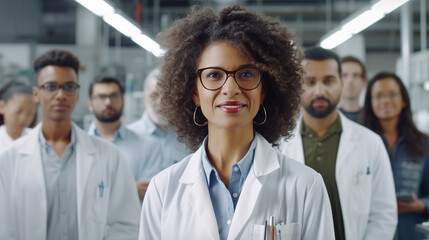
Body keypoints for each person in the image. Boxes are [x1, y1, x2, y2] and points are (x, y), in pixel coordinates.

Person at [139, 5, 335, 240]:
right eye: (214, 75)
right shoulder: (163, 190)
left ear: (264, 90)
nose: (230, 89)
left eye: (246, 74)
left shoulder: (305, 186)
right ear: (194, 92)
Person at [0, 49, 140, 240]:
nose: (60, 95)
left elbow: (126, 225)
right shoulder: (9, 160)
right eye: (51, 86)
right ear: (36, 93)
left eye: (69, 86)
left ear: (77, 94)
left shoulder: (109, 156)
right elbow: (5, 228)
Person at [279, 47, 397, 240]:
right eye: (310, 81)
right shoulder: (279, 144)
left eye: (328, 80)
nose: (319, 90)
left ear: (341, 84)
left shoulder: (370, 143)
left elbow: (384, 214)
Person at [360, 72, 429, 240]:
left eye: (392, 94)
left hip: (412, 232)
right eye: (378, 96)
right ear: (370, 103)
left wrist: (420, 205)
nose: (385, 101)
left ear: (404, 100)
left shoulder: (424, 144)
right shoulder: (358, 143)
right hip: (368, 233)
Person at [87, 76, 163, 200]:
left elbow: (148, 195)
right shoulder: (78, 146)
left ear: (123, 101)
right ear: (90, 104)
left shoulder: (148, 145)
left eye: (114, 96)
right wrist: (130, 187)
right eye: (101, 97)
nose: (108, 102)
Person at [127, 68, 190, 164]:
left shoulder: (189, 138)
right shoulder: (128, 137)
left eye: (167, 96)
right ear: (144, 98)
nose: (161, 102)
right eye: (154, 95)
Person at [0, 80, 36, 151]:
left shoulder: (36, 139)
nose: (23, 118)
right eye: (18, 112)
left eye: (30, 113)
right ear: (2, 107)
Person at [338, 56, 367, 122]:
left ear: (364, 82)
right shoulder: (328, 118)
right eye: (344, 75)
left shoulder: (372, 118)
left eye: (356, 75)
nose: (350, 80)